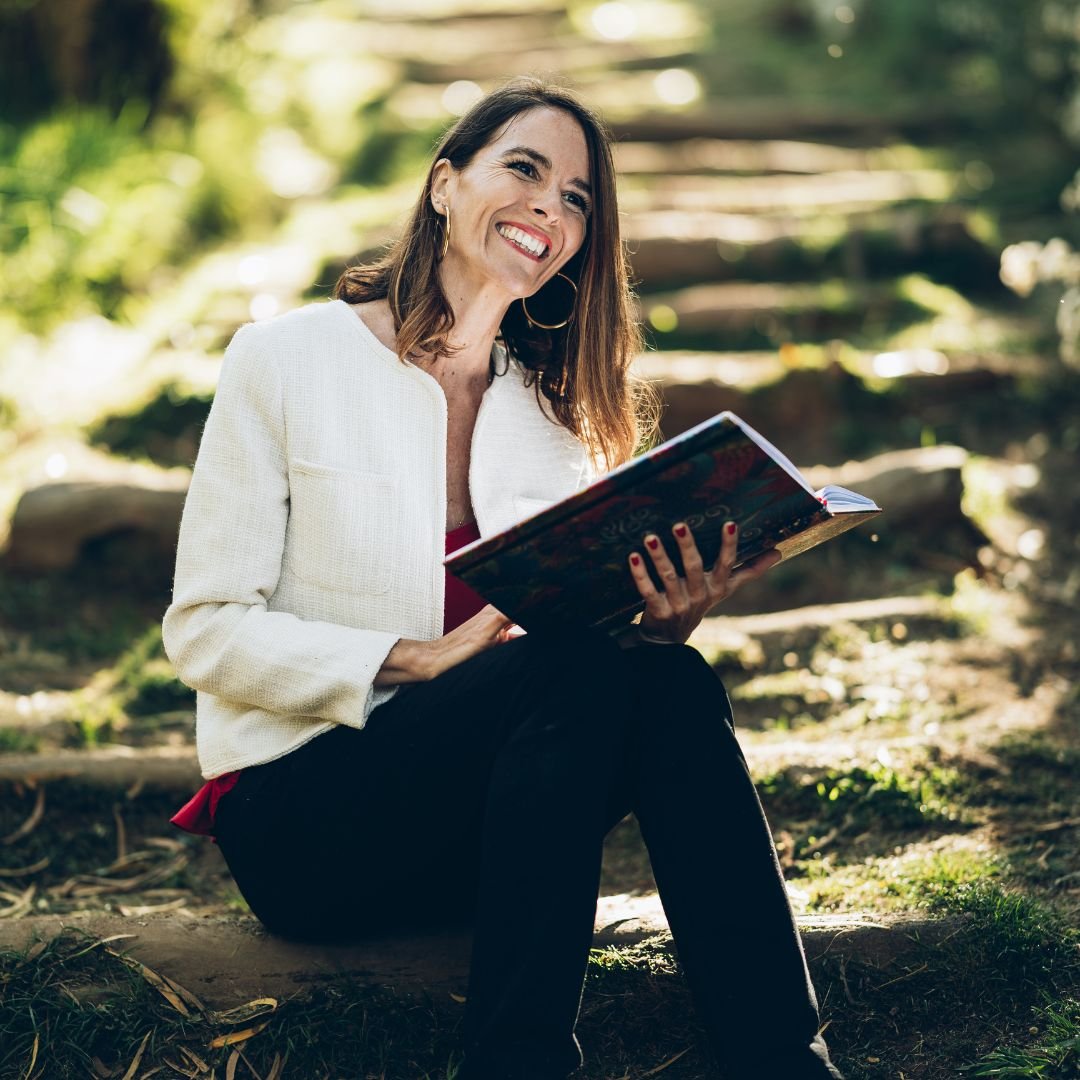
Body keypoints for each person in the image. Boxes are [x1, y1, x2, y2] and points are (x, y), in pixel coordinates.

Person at [162, 76, 845, 1080]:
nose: (548, 208)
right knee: (577, 673)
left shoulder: (554, 421)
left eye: (577, 199)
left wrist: (660, 622)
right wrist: (418, 660)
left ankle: (783, 1060)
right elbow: (204, 630)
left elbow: (575, 678)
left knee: (668, 681)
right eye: (524, 169)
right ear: (445, 184)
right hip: (305, 823)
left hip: (488, 829)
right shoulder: (285, 360)